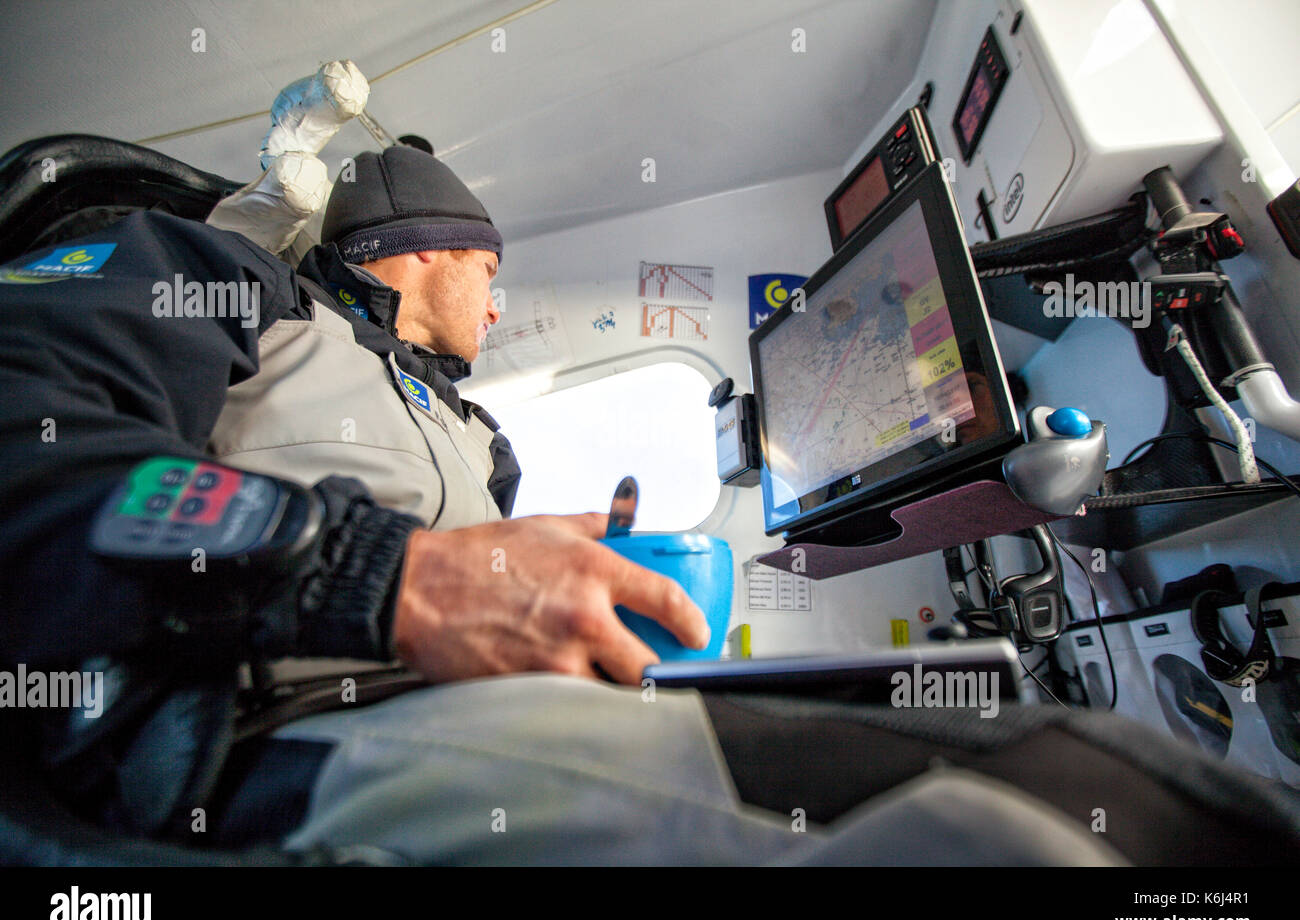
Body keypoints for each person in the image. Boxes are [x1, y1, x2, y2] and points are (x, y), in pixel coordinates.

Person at [2, 144, 1298, 866]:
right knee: (1056, 823)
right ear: (421, 252)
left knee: (1019, 725)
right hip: (262, 737)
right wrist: (373, 574)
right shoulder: (220, 283)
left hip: (479, 710)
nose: (501, 304)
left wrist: (552, 573)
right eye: (491, 271)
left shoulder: (474, 435)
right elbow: (27, 443)